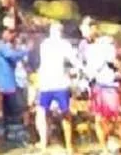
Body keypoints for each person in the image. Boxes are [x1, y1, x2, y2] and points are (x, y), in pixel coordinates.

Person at [34, 21, 79, 153]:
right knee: (64, 114)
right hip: (57, 83)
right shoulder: (63, 44)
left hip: (48, 84)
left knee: (45, 112)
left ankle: (44, 143)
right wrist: (77, 71)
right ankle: (68, 146)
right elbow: (74, 61)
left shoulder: (45, 44)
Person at [82, 28, 121, 152]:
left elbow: (91, 68)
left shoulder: (95, 48)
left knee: (102, 118)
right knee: (116, 118)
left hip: (100, 85)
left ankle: (106, 149)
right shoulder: (101, 47)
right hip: (106, 85)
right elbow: (114, 62)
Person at [0, 23, 30, 137]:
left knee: (17, 105)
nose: (11, 35)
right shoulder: (1, 46)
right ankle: (2, 127)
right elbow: (11, 56)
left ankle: (19, 128)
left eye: (12, 33)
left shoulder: (12, 46)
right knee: (7, 104)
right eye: (8, 32)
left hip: (13, 81)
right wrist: (26, 50)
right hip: (5, 81)